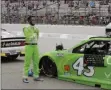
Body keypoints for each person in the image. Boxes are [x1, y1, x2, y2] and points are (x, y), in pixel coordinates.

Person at [23, 16, 43, 83]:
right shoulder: (26, 28)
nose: (34, 21)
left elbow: (37, 36)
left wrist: (34, 35)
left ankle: (36, 76)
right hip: (29, 46)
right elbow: (29, 37)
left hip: (35, 46)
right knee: (27, 62)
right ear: (29, 21)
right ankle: (25, 77)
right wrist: (34, 34)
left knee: (36, 62)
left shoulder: (36, 28)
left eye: (35, 19)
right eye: (32, 20)